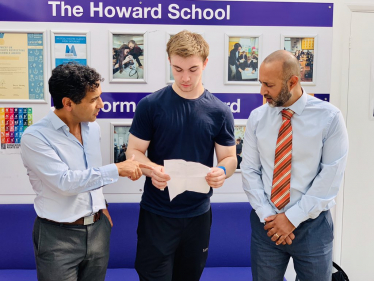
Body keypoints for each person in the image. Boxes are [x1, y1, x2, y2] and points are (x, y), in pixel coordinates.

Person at [21, 62, 149, 281]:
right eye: (93, 100)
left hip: (98, 229)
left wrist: (101, 206)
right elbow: (65, 183)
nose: (101, 104)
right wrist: (117, 169)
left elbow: (88, 174)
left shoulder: (93, 128)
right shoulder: (35, 137)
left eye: (100, 96)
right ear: (68, 103)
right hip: (57, 237)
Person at [127, 30, 237, 281]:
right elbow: (133, 152)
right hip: (157, 214)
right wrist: (151, 169)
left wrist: (221, 172)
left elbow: (229, 158)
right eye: (177, 69)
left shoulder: (219, 111)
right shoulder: (151, 105)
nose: (185, 77)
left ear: (205, 64)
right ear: (169, 62)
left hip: (198, 216)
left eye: (193, 69)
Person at [241, 50, 348, 281]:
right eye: (261, 83)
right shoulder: (257, 118)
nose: (262, 91)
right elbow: (249, 170)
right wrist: (270, 217)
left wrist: (291, 219)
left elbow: (330, 176)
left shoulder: (329, 118)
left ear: (293, 82)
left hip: (313, 227)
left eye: (269, 85)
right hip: (266, 225)